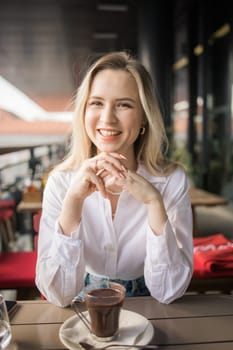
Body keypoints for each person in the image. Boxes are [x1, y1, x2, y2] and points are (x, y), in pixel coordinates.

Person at [36, 51, 193, 307]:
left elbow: (169, 291)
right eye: (96, 103)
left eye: (124, 104)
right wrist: (73, 202)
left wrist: (154, 203)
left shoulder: (172, 181)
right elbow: (58, 295)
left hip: (151, 305)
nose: (107, 117)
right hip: (80, 304)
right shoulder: (61, 182)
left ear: (143, 116)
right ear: (84, 111)